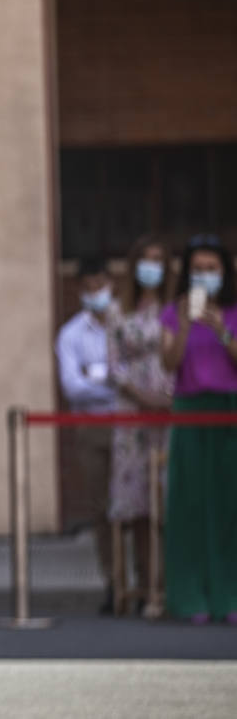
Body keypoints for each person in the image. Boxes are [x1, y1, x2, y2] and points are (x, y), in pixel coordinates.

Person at [159, 234, 237, 624]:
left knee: (229, 505)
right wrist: (187, 327)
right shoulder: (173, 313)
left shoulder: (233, 312)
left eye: (212, 269)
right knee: (190, 505)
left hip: (229, 411)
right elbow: (168, 363)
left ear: (225, 272)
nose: (205, 276)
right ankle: (190, 597)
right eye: (198, 269)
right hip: (189, 409)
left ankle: (230, 596)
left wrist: (222, 330)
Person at [107, 236, 173, 615]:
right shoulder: (120, 311)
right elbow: (114, 365)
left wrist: (168, 398)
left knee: (167, 498)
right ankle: (143, 584)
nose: (152, 267)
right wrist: (141, 396)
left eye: (159, 259)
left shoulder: (176, 309)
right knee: (137, 504)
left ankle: (169, 583)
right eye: (146, 260)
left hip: (170, 409)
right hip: (133, 413)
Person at [55, 257, 120, 611]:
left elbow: (134, 378)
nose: (97, 293)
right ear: (80, 291)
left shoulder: (127, 324)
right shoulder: (71, 334)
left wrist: (102, 379)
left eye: (102, 285)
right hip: (93, 429)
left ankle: (144, 580)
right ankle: (113, 581)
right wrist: (112, 383)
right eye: (90, 288)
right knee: (102, 508)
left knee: (138, 508)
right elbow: (73, 387)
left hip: (132, 424)